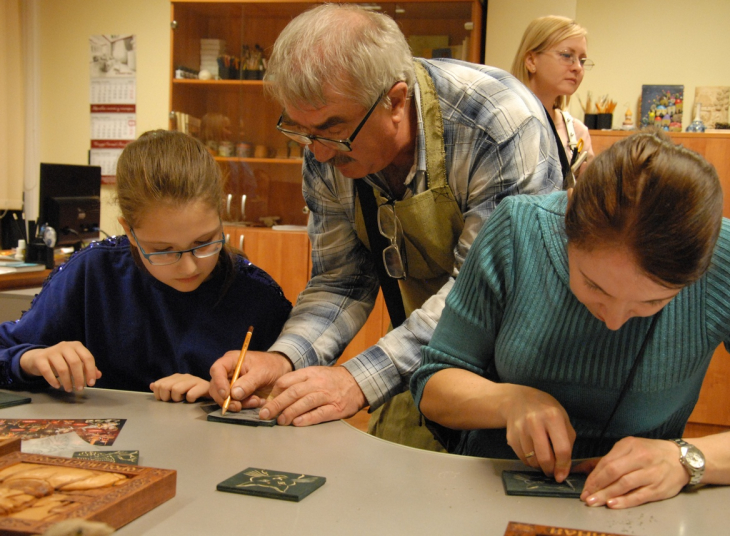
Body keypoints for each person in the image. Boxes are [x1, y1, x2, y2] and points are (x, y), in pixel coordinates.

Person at [208, 3, 562, 450]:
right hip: (422, 354)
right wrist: (285, 358)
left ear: (395, 100)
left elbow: (481, 295)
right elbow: (341, 281)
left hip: (519, 374)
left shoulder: (497, 122)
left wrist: (356, 379)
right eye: (301, 130)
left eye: (331, 130)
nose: (318, 154)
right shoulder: (325, 143)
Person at [411, 130, 730, 508]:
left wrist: (687, 459)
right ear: (568, 221)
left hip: (641, 510)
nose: (613, 321)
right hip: (489, 497)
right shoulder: (517, 231)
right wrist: (507, 401)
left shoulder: (729, 259)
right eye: (594, 286)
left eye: (652, 302)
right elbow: (433, 383)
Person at [0, 130, 292, 401]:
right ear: (129, 231)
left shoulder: (257, 296)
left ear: (221, 216)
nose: (189, 267)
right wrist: (29, 360)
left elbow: (291, 392)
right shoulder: (92, 274)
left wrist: (222, 396)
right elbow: (6, 351)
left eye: (204, 242)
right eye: (163, 250)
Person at [511, 15, 594, 179]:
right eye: (567, 55)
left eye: (582, 60)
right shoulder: (502, 122)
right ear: (531, 61)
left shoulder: (577, 132)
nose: (578, 67)